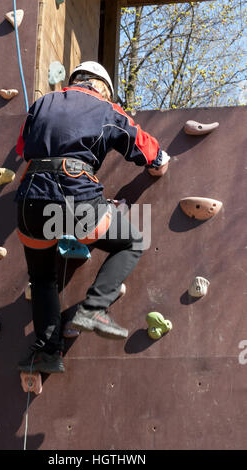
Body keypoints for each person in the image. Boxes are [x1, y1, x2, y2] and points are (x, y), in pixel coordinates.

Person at [15, 61, 170, 374]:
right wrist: (160, 164)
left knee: (43, 278)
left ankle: (48, 351)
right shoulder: (106, 107)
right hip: (76, 197)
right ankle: (94, 308)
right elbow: (149, 152)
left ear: (75, 81)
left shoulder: (42, 102)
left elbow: (22, 149)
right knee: (131, 242)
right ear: (101, 87)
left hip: (30, 202)